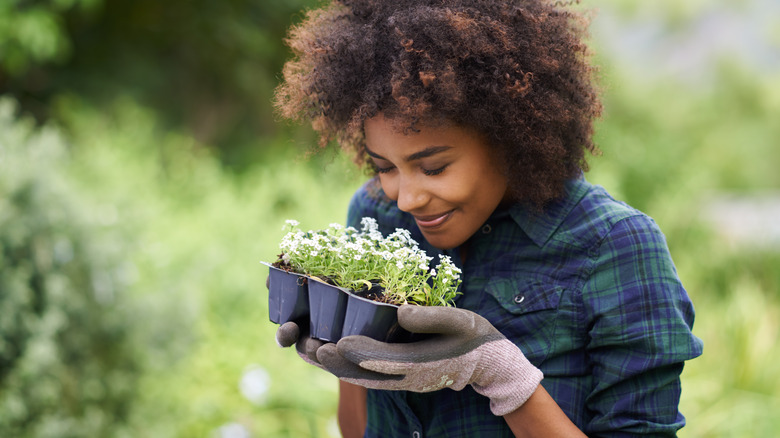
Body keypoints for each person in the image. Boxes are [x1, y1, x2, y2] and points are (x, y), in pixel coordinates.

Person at [272, 0, 704, 436]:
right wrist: (340, 345)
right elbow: (360, 429)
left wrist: (502, 375)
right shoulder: (375, 216)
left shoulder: (615, 247)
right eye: (384, 167)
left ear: (507, 138)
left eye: (434, 167)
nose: (405, 198)